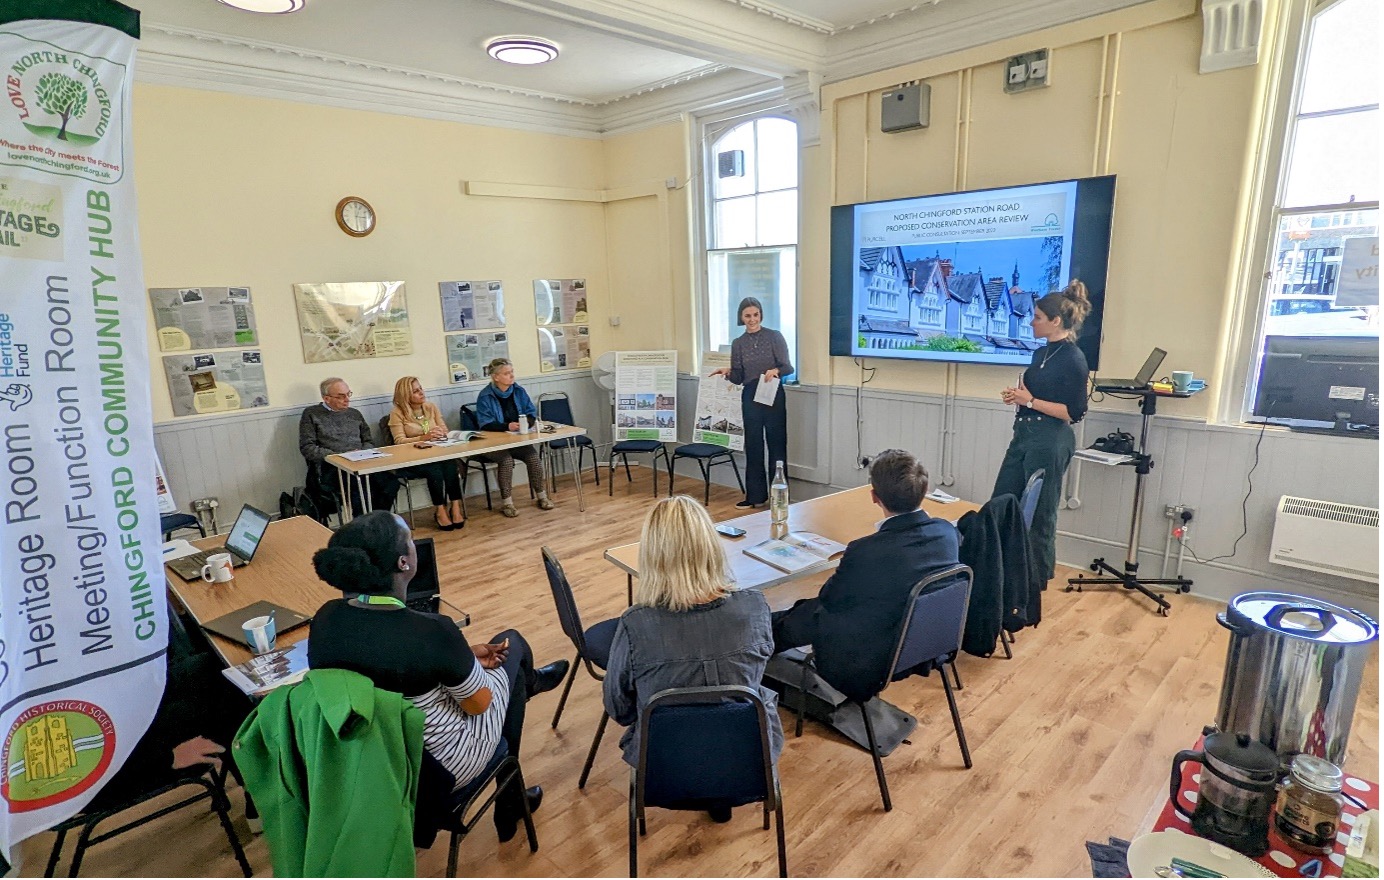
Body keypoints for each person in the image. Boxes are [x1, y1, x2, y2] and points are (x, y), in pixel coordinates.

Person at [307, 512, 570, 844]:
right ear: (404, 563)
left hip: (374, 766)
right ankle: (510, 801)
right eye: (411, 541)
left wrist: (460, 658)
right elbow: (478, 706)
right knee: (512, 648)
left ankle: (527, 693)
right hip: (438, 772)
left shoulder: (326, 620)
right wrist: (467, 665)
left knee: (505, 677)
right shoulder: (432, 631)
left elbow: (390, 667)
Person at [603, 495, 782, 824]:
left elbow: (619, 709)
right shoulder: (754, 608)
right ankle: (719, 797)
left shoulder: (636, 625)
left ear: (652, 555)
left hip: (663, 771)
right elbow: (753, 677)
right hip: (748, 761)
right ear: (711, 547)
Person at [770, 449, 961, 702]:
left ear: (873, 497)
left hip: (869, 653)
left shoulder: (865, 550)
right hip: (922, 642)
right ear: (925, 492)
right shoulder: (947, 533)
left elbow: (830, 599)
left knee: (788, 619)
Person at [992, 280, 1091, 586]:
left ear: (1055, 321)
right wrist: (1019, 397)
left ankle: (1033, 584)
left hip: (1050, 440)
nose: (1031, 322)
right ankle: (1002, 572)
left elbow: (1074, 413)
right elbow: (1035, 396)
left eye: (1037, 317)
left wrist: (1031, 401)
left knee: (1039, 514)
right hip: (1024, 434)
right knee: (1002, 503)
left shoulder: (1074, 359)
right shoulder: (1039, 354)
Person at [709, 297, 793, 509]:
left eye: (755, 315)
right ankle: (755, 496)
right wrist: (728, 372)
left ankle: (779, 497)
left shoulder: (774, 337)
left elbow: (788, 367)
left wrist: (776, 371)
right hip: (750, 395)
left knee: (777, 444)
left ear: (761, 315)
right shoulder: (738, 343)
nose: (752, 319)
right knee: (753, 445)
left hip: (773, 392)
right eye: (747, 316)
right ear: (741, 317)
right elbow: (739, 376)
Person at [299, 377, 400, 515]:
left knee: (390, 483)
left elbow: (368, 440)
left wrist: (362, 452)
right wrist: (337, 456)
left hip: (362, 461)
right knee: (359, 489)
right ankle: (361, 529)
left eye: (348, 394)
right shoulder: (311, 414)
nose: (347, 399)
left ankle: (376, 521)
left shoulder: (354, 414)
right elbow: (307, 447)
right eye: (341, 396)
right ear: (326, 398)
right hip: (333, 466)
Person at [474, 358, 553, 517]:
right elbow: (485, 423)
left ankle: (542, 496)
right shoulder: (485, 396)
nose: (511, 376)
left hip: (516, 438)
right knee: (506, 460)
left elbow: (531, 412)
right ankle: (507, 503)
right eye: (506, 373)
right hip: (493, 442)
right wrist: (506, 426)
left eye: (512, 372)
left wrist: (528, 423)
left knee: (533, 457)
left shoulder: (519, 391)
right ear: (496, 377)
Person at [388, 376, 466, 531]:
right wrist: (423, 437)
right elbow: (399, 441)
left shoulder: (431, 407)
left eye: (420, 388)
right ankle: (440, 510)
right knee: (435, 470)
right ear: (405, 396)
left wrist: (441, 433)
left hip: (437, 453)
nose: (421, 393)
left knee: (450, 464)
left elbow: (444, 429)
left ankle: (455, 506)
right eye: (415, 391)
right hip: (413, 459)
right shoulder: (397, 413)